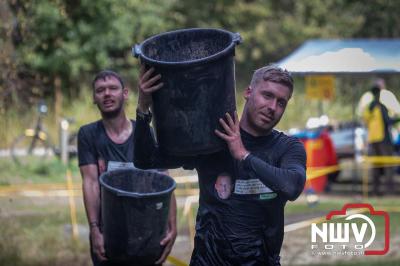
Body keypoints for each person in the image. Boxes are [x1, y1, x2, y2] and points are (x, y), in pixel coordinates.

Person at [134, 65, 306, 265]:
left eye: (281, 103)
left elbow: (292, 187)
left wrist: (243, 155)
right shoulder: (212, 139)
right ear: (248, 93)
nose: (272, 107)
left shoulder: (287, 147)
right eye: (267, 95)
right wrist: (143, 109)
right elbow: (146, 160)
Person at [78, 70, 177, 266]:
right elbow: (90, 183)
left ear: (125, 93)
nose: (107, 94)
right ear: (93, 98)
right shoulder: (88, 134)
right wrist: (94, 230)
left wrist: (172, 227)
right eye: (100, 90)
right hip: (109, 234)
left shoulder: (145, 131)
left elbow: (163, 179)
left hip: (147, 231)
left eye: (113, 88)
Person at [362, 85, 399, 195]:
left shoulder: (368, 108)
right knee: (388, 165)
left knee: (376, 166)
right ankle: (389, 191)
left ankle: (375, 190)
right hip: (383, 139)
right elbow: (388, 121)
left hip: (372, 140)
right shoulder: (380, 106)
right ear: (378, 94)